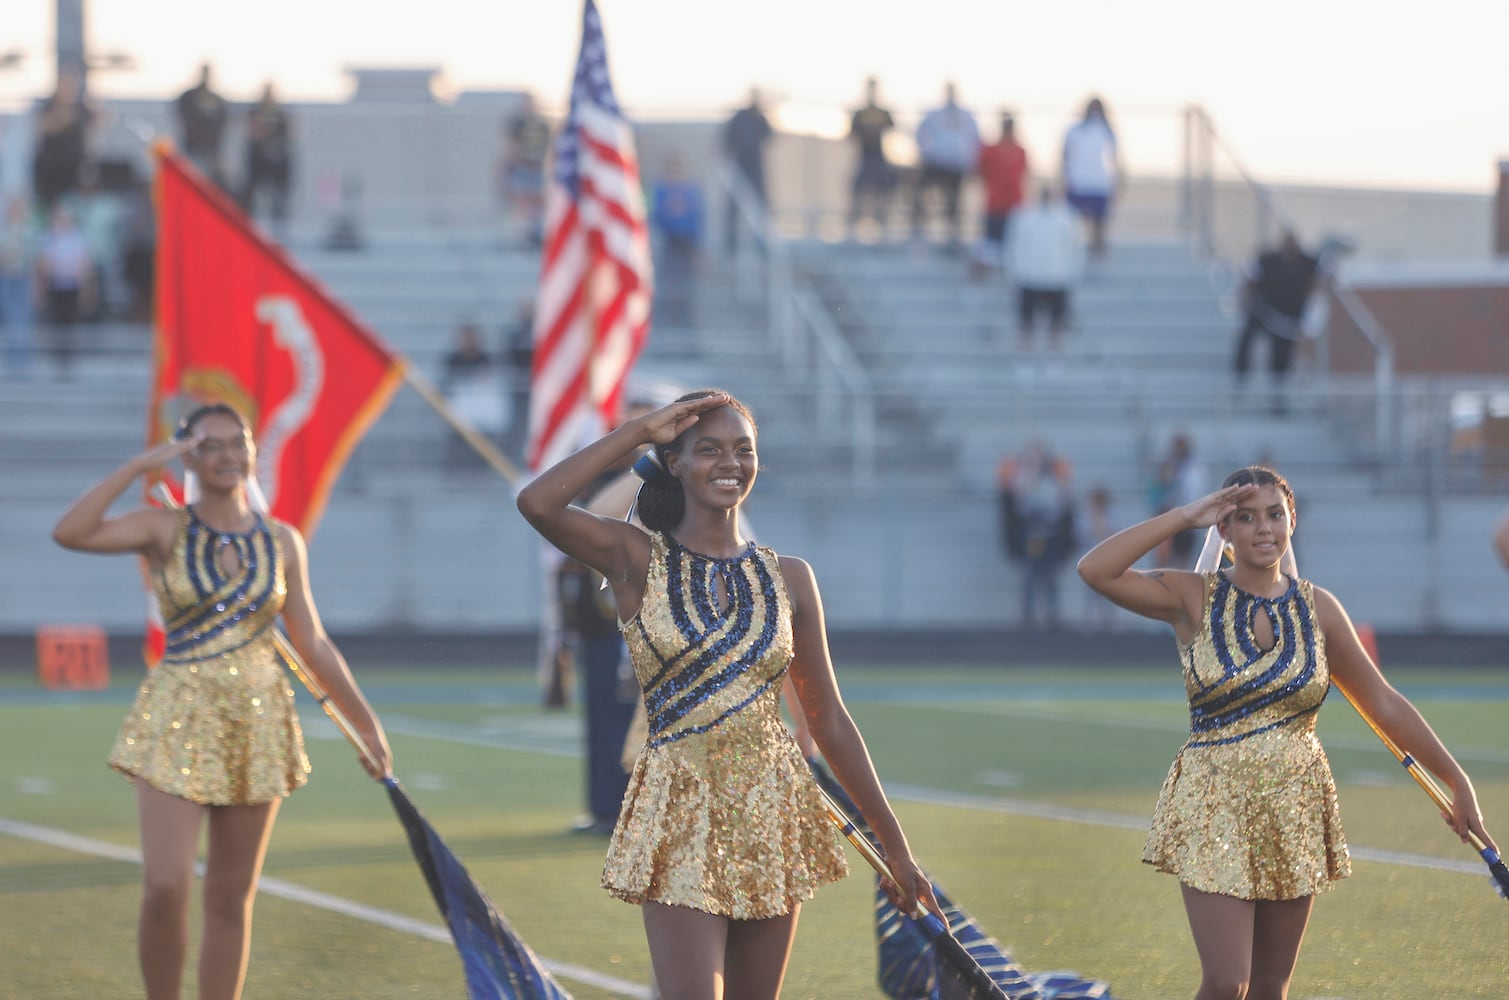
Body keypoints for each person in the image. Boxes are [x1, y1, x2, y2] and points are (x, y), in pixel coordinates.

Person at [516, 389, 938, 998]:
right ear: (675, 463)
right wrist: (637, 432)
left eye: (744, 450)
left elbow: (831, 722)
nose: (729, 463)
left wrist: (897, 850)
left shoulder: (790, 577)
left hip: (773, 803)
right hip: (679, 806)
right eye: (708, 450)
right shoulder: (635, 557)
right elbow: (538, 502)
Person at [1077, 466, 1497, 1000]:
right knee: (1229, 983)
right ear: (1224, 530)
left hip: (1297, 802)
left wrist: (1458, 781)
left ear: (1292, 521)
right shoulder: (1192, 596)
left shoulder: (1318, 608)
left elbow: (1384, 702)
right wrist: (1186, 516)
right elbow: (1095, 570)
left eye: (1275, 514)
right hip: (1215, 803)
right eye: (1245, 517)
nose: (1263, 528)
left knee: (1271, 988)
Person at [51, 403, 392, 1000]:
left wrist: (366, 724)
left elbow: (312, 640)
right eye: (210, 445)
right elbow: (71, 531)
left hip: (259, 724)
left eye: (239, 443)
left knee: (231, 898)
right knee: (165, 887)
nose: (228, 455)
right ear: (187, 454)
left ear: (254, 452)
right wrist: (141, 464)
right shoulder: (164, 529)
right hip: (177, 718)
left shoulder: (282, 539)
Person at [1232, 231, 1319, 415]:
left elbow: (1319, 283)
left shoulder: (1307, 263)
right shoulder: (1267, 260)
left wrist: (1308, 320)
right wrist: (1244, 299)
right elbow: (1250, 280)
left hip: (1286, 319)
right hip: (1263, 311)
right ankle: (1239, 379)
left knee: (1280, 359)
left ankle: (1278, 401)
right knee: (1246, 341)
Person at [1004, 184, 1084, 354]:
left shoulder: (1067, 217)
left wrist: (1071, 274)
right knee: (1026, 324)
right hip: (1029, 277)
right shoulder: (1023, 216)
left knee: (1056, 323)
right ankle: (1025, 358)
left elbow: (1075, 248)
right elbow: (1014, 246)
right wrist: (1015, 273)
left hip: (1057, 278)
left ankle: (1054, 359)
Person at [911, 82, 980, 251]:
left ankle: (953, 236)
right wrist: (927, 153)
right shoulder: (935, 113)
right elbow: (919, 133)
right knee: (920, 193)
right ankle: (919, 230)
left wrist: (970, 161)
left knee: (954, 202)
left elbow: (976, 139)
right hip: (936, 163)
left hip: (956, 166)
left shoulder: (966, 115)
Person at [648, 156, 705, 329]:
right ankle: (666, 316)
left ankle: (684, 317)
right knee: (667, 280)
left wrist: (699, 249)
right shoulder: (659, 191)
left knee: (686, 282)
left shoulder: (691, 192)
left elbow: (698, 219)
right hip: (668, 240)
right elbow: (654, 215)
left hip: (687, 242)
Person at [1060, 96, 1122, 258]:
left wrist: (1115, 183)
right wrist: (1064, 178)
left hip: (1099, 183)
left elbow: (1114, 158)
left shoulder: (1107, 131)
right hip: (1078, 182)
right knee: (1073, 220)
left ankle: (1098, 251)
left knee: (1099, 222)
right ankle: (1072, 251)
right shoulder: (1075, 130)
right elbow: (1065, 155)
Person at [972, 112, 1030, 281]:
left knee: (1013, 246)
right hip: (995, 205)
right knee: (990, 247)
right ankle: (981, 283)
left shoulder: (1020, 151)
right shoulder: (990, 150)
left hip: (1015, 205)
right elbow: (982, 172)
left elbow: (1023, 175)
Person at [31, 70, 96, 213]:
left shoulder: (81, 108)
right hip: (50, 171)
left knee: (72, 209)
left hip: (73, 169)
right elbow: (45, 125)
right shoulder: (48, 107)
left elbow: (97, 122)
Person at [721, 87, 773, 252]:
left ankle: (761, 243)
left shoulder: (760, 117)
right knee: (734, 206)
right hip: (740, 164)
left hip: (756, 164)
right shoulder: (740, 117)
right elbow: (728, 138)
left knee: (759, 204)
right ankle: (731, 243)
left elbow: (769, 136)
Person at [846, 77, 897, 242]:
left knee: (883, 194)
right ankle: (852, 231)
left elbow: (891, 127)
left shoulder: (882, 112)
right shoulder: (860, 113)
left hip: (879, 158)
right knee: (857, 192)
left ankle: (884, 230)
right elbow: (851, 133)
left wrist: (875, 131)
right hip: (864, 158)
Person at [240, 83, 294, 235]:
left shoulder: (282, 115)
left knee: (278, 201)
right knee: (253, 199)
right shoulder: (254, 113)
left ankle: (279, 232)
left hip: (277, 166)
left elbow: (289, 134)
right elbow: (252, 132)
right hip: (258, 164)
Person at [499, 93, 551, 246]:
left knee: (539, 201)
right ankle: (523, 235)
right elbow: (509, 147)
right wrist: (507, 167)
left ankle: (537, 232)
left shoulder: (543, 124)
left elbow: (549, 148)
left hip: (538, 168)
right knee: (523, 202)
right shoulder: (517, 123)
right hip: (522, 167)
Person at [174, 63, 231, 188]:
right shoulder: (188, 97)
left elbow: (223, 120)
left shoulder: (217, 99)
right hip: (192, 149)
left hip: (212, 150)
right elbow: (184, 118)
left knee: (213, 185)